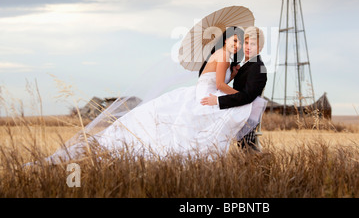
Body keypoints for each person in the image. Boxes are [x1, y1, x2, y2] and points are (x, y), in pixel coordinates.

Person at [41, 26, 267, 164]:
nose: (239, 45)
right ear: (226, 40)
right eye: (237, 40)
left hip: (204, 92)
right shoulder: (224, 56)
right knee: (181, 128)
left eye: (243, 42)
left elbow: (221, 81)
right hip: (205, 94)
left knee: (181, 127)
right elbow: (218, 83)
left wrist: (232, 75)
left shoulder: (235, 61)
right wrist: (233, 92)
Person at [201, 26, 267, 151]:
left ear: (260, 47)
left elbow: (247, 96)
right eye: (246, 43)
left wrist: (218, 101)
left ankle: (261, 168)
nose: (248, 47)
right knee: (246, 149)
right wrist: (233, 74)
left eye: (253, 44)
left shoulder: (258, 67)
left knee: (248, 149)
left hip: (248, 113)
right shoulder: (247, 65)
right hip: (241, 108)